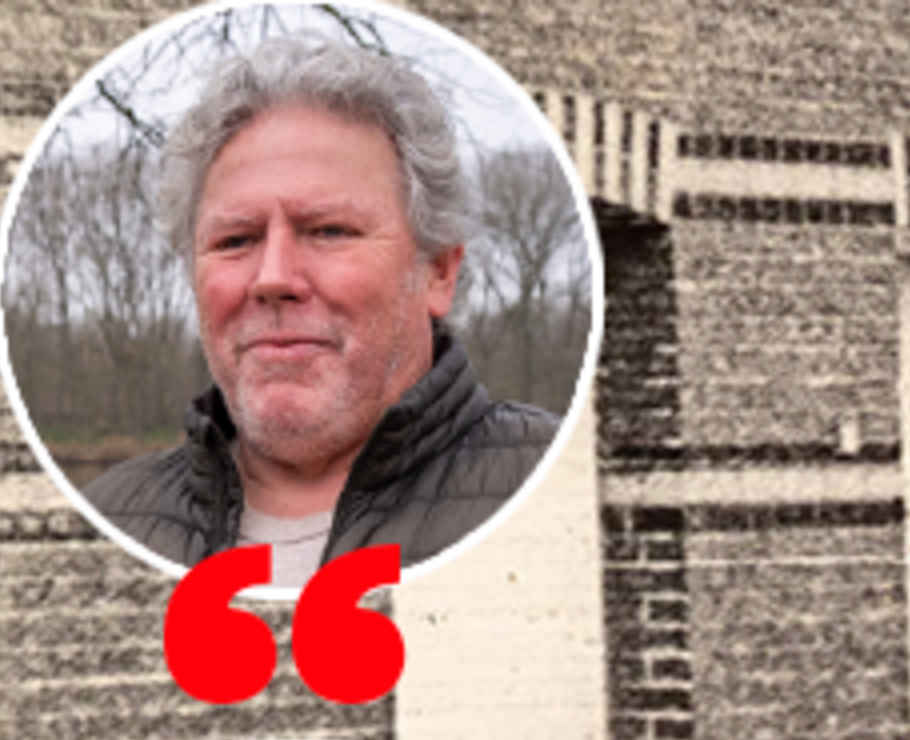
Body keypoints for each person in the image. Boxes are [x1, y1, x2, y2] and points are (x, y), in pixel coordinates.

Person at [82, 34, 557, 578]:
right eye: (235, 240)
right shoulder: (105, 519)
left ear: (438, 271)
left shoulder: (558, 491)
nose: (273, 278)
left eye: (329, 230)